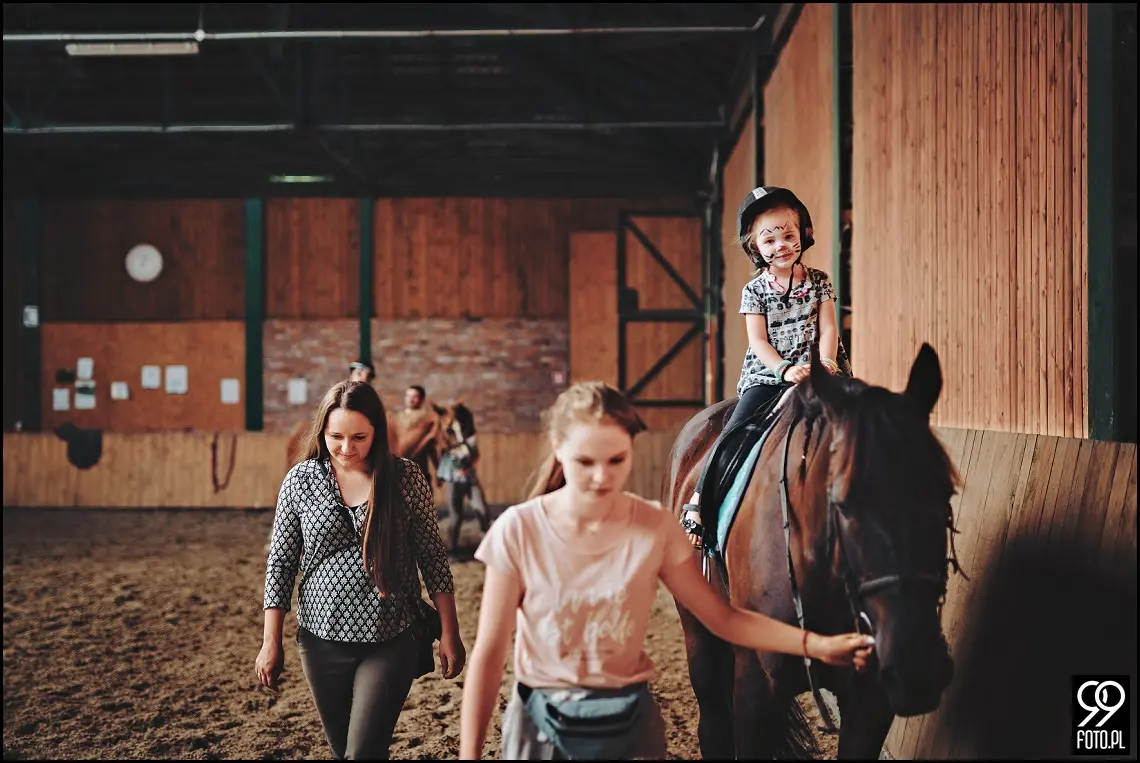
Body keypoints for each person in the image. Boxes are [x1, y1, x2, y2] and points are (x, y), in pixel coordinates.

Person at [457, 382, 873, 761]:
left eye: (616, 459)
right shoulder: (518, 530)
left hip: (628, 729)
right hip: (541, 730)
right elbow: (490, 654)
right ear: (557, 447)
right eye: (585, 462)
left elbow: (724, 619)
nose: (602, 477)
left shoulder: (655, 527)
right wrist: (469, 754)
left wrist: (815, 645)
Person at [256, 380, 466, 761]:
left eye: (359, 437)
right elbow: (281, 562)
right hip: (319, 640)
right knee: (345, 753)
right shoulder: (300, 482)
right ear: (322, 430)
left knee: (363, 754)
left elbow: (433, 557)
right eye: (336, 436)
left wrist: (450, 632)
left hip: (392, 636)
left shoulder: (405, 478)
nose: (346, 448)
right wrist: (271, 640)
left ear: (377, 433)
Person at [680, 186, 853, 548]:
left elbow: (829, 327)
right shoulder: (754, 291)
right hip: (769, 373)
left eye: (788, 235)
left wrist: (825, 361)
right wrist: (784, 370)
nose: (781, 246)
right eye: (769, 239)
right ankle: (701, 500)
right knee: (737, 429)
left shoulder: (819, 281)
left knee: (862, 421)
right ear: (755, 247)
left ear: (803, 234)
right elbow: (758, 341)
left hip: (821, 368)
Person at [435, 401, 491, 553]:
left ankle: (488, 547)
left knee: (482, 510)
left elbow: (475, 454)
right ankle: (452, 549)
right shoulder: (444, 440)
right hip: (454, 480)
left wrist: (467, 466)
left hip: (469, 478)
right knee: (455, 516)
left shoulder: (468, 436)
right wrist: (441, 475)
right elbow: (441, 458)